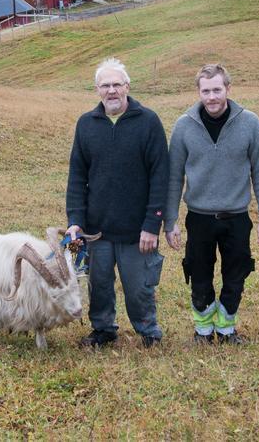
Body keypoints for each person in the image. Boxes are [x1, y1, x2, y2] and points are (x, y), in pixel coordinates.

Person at [164, 63, 259, 344]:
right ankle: (203, 331)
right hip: (199, 218)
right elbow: (173, 178)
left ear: (228, 88)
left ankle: (226, 329)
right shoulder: (183, 126)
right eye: (206, 91)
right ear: (198, 92)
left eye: (217, 89)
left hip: (236, 217)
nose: (212, 97)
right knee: (199, 274)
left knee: (235, 275)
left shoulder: (250, 123)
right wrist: (170, 221)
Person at [66, 57, 169, 348]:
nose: (111, 91)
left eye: (117, 84)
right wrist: (75, 221)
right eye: (105, 85)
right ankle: (103, 329)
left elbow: (160, 177)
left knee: (139, 288)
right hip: (97, 230)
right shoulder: (86, 124)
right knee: (99, 285)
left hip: (137, 230)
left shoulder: (148, 122)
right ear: (97, 90)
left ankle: (148, 331)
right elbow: (76, 177)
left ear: (127, 87)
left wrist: (152, 224)